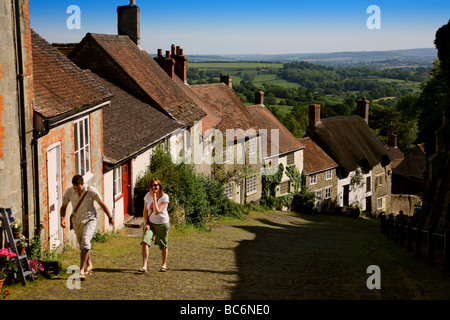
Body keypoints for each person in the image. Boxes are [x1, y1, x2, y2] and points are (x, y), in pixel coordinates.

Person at [60, 175, 114, 280]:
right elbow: (63, 207)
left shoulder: (91, 191)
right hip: (76, 221)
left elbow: (101, 204)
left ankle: (81, 270)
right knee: (84, 245)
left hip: (90, 220)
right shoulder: (69, 192)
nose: (77, 191)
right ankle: (89, 264)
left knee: (85, 242)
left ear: (83, 184)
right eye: (75, 188)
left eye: (79, 188)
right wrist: (62, 218)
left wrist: (110, 217)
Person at [139, 179, 170, 273]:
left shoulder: (165, 197)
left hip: (162, 224)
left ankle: (164, 264)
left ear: (160, 186)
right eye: (152, 186)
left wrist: (155, 197)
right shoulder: (147, 196)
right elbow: (145, 211)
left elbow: (156, 212)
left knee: (163, 244)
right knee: (145, 241)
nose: (154, 187)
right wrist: (146, 223)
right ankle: (144, 266)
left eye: (156, 185)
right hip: (151, 223)